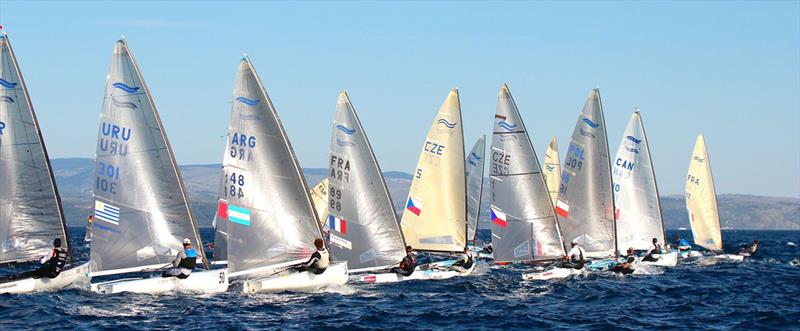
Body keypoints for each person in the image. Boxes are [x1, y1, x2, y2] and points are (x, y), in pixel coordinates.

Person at [0, 238, 68, 281]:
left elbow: (42, 261)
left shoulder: (53, 251)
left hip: (50, 274)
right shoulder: (64, 252)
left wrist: (41, 259)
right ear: (60, 244)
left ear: (54, 244)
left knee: (33, 272)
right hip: (57, 273)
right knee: (45, 268)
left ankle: (16, 277)